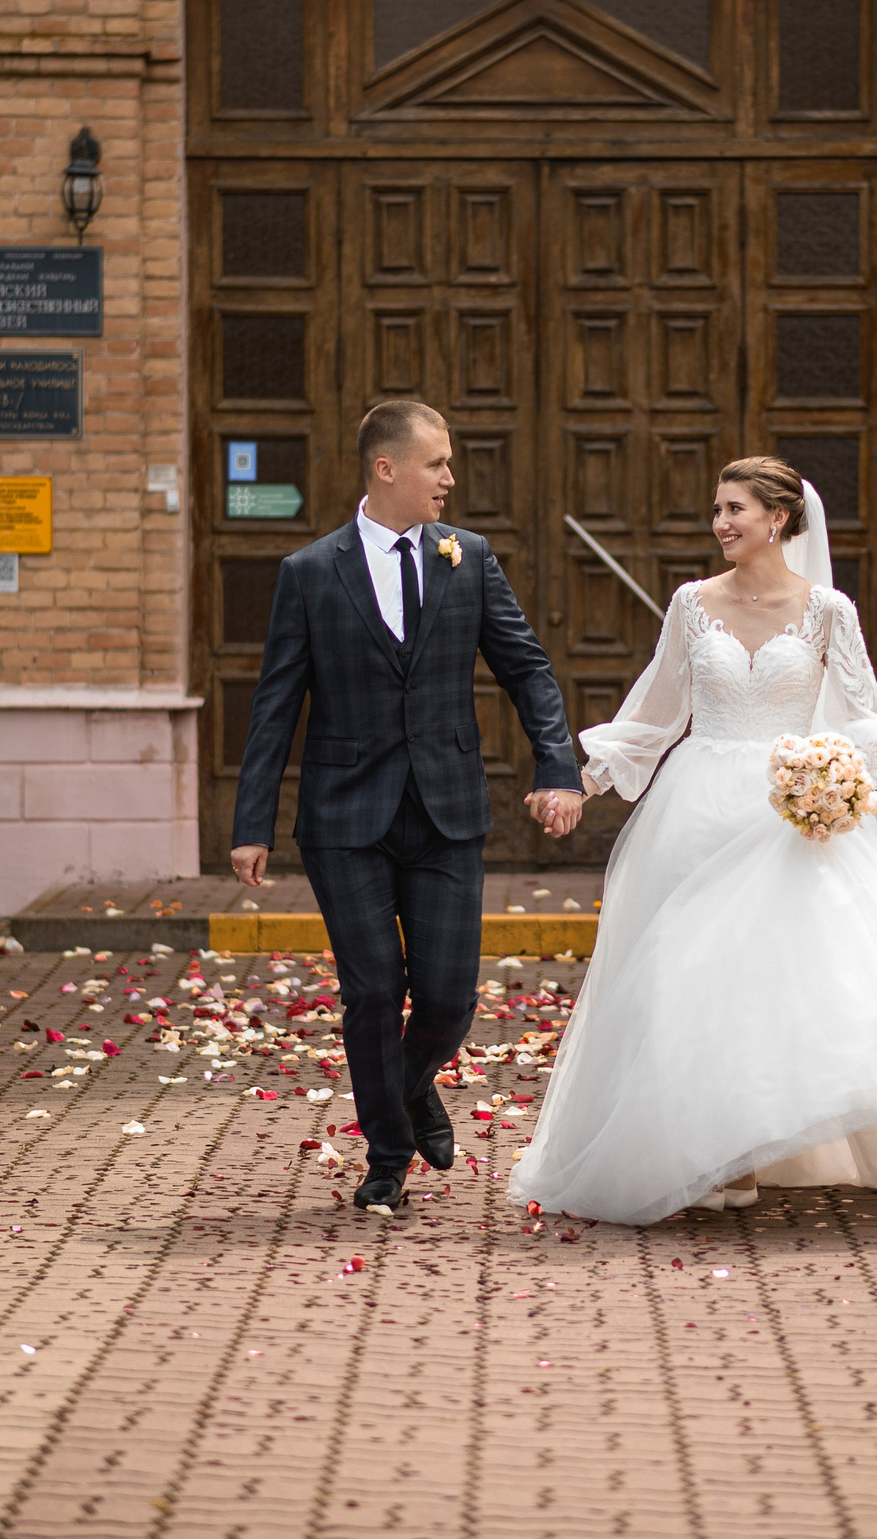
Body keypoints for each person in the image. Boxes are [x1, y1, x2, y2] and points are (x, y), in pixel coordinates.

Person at [511, 457, 877, 1224]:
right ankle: (707, 1158)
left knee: (785, 986)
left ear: (779, 520)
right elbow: (656, 709)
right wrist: (578, 784)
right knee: (688, 980)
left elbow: (860, 712)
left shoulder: (829, 611)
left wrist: (847, 776)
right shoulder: (692, 605)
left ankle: (755, 1142)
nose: (721, 523)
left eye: (735, 510)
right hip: (698, 807)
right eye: (718, 510)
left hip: (793, 814)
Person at [231, 400, 584, 1212]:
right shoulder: (311, 572)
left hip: (447, 811)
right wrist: (252, 826)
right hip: (344, 819)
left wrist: (557, 765)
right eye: (437, 463)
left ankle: (410, 1085)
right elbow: (274, 705)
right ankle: (386, 1156)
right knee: (372, 990)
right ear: (386, 469)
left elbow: (526, 669)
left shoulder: (470, 558)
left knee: (452, 997)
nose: (450, 479)